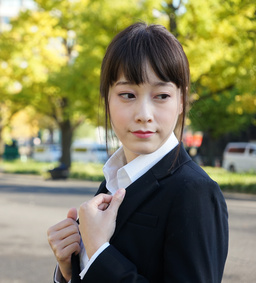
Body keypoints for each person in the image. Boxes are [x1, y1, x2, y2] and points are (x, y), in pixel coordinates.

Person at [47, 22, 228, 283]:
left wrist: (98, 253)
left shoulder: (195, 191)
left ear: (181, 101)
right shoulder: (114, 180)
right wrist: (69, 270)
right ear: (107, 100)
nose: (144, 115)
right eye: (128, 94)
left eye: (162, 96)